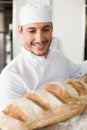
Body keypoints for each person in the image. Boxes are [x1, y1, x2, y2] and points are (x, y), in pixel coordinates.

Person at [0, 2, 86, 112]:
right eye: (32, 31)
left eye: (45, 29)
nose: (40, 39)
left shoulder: (57, 57)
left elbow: (78, 73)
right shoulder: (11, 75)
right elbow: (8, 120)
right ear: (20, 30)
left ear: (52, 29)